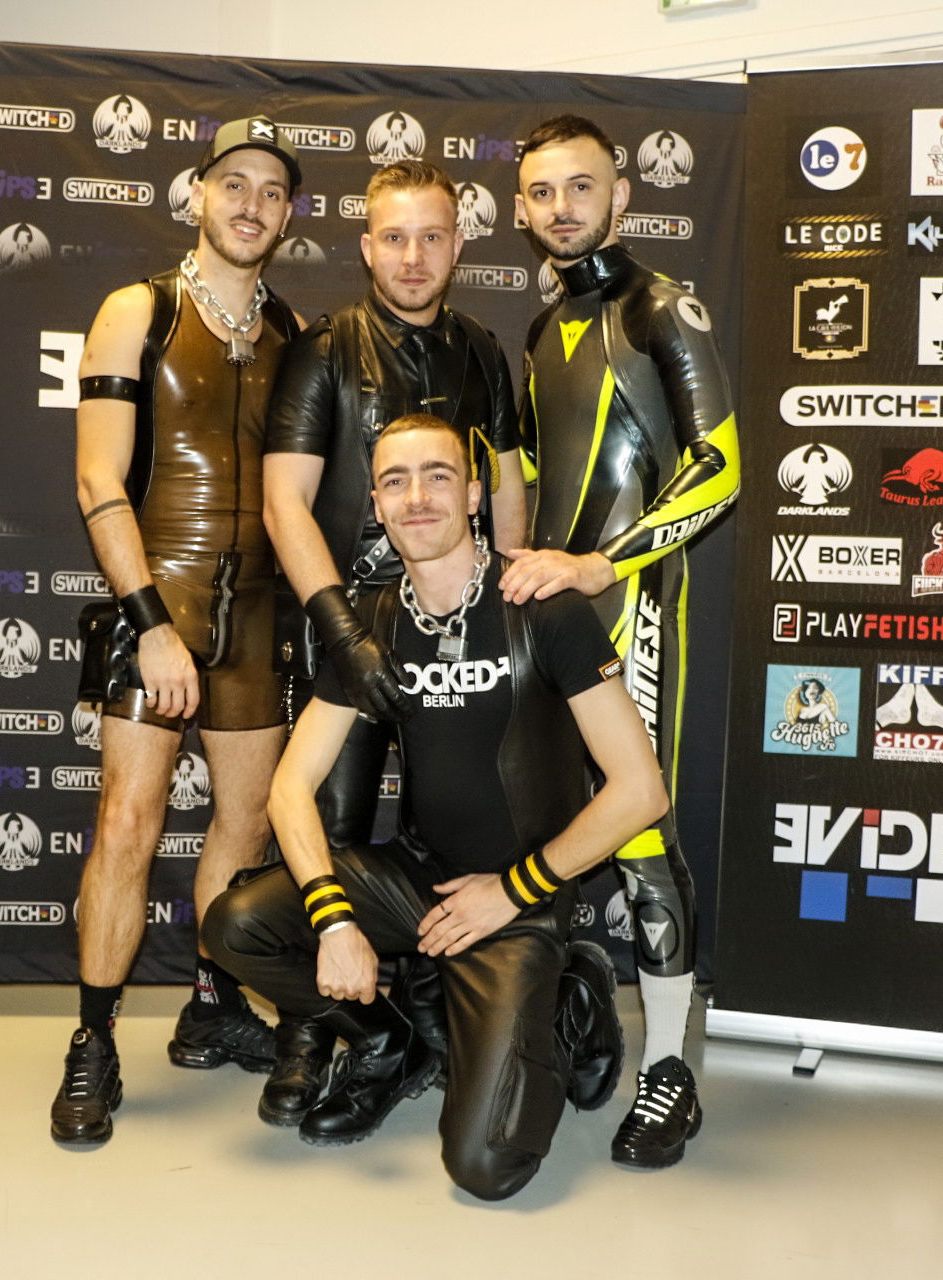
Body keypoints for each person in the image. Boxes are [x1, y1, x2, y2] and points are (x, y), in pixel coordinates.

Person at [206, 413, 668, 1200]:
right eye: (395, 481)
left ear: (475, 496)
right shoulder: (375, 621)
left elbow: (640, 789)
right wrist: (334, 921)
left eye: (437, 476)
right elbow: (289, 787)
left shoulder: (541, 605)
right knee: (236, 923)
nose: (416, 497)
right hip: (418, 878)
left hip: (521, 899)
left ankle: (575, 1000)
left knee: (486, 1167)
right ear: (377, 506)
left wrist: (514, 890)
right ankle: (392, 1044)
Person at [56, 117, 307, 1146]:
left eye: (273, 191)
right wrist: (152, 623)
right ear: (198, 192)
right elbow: (97, 480)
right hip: (157, 607)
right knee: (129, 821)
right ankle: (93, 1039)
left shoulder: (292, 328)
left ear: (288, 216)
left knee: (245, 831)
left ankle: (210, 1005)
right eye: (234, 183)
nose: (252, 204)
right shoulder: (139, 309)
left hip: (258, 619)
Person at [261, 157, 528, 1121]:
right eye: (394, 238)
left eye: (432, 237)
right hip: (348, 629)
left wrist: (512, 609)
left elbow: (507, 489)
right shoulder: (323, 349)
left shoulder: (484, 352)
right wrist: (342, 632)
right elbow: (284, 503)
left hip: (458, 629)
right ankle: (319, 1031)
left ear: (459, 245)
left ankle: (426, 1021)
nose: (413, 257)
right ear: (366, 247)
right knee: (327, 833)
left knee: (447, 835)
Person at [505, 113, 740, 1169]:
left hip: (632, 606)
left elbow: (722, 465)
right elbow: (529, 479)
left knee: (640, 835)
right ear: (521, 210)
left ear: (621, 195)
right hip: (552, 617)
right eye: (542, 192)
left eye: (581, 186)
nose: (562, 208)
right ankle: (567, 1024)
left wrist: (605, 566)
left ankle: (674, 1071)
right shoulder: (539, 328)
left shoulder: (658, 308)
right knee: (541, 821)